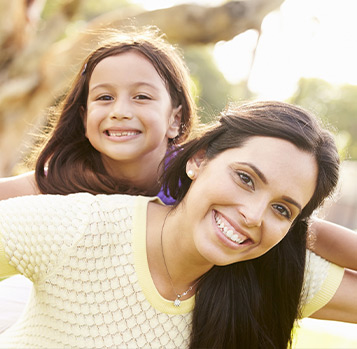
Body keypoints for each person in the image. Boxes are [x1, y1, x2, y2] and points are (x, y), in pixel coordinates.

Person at [0, 27, 356, 336]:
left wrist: (290, 220)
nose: (121, 110)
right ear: (84, 116)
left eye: (141, 96)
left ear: (176, 120)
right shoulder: (63, 184)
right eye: (104, 97)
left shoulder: (193, 172)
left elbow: (312, 232)